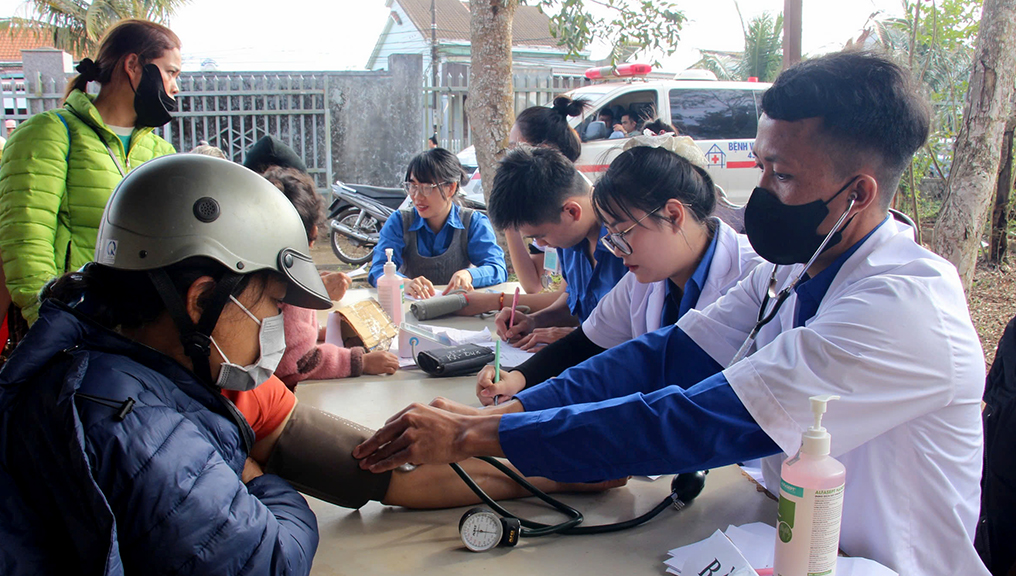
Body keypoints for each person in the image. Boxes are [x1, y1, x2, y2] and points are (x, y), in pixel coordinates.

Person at [354, 51, 989, 576]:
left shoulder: (901, 308)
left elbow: (697, 419)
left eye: (783, 176)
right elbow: (662, 357)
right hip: (779, 531)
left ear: (858, 194)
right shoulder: (794, 268)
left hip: (883, 564)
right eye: (761, 167)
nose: (760, 192)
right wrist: (516, 407)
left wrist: (475, 435)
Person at [0, 155, 322, 573]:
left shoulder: (95, 369)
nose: (277, 321)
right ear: (202, 301)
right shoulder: (136, 423)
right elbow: (274, 560)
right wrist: (260, 483)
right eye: (274, 302)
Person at [476, 139, 761, 404]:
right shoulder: (643, 279)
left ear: (673, 216)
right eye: (610, 236)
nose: (616, 250)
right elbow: (585, 343)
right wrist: (518, 378)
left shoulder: (757, 275)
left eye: (622, 233)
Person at [0, 19, 179, 329]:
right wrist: (50, 321)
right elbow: (26, 240)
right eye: (171, 72)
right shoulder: (49, 133)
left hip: (139, 333)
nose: (175, 87)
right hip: (75, 327)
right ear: (133, 65)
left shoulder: (161, 153)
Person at [461, 146, 628, 350]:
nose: (539, 245)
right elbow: (574, 302)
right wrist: (534, 321)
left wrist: (578, 341)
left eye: (540, 236)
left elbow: (648, 335)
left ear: (572, 212)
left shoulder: (629, 246)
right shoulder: (570, 238)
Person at [263, 166, 399, 387]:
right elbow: (299, 362)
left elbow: (287, 334)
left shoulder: (258, 267)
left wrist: (320, 332)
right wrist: (359, 361)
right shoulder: (289, 283)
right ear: (310, 234)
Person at [368, 148, 506, 298]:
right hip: (410, 310)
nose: (417, 197)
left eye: (427, 188)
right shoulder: (399, 222)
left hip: (457, 310)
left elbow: (496, 268)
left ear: (451, 188)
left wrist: (469, 275)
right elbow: (378, 270)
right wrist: (404, 282)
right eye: (413, 186)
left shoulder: (473, 222)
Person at [504, 96, 589, 295]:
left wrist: (492, 302)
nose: (509, 159)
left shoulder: (569, 208)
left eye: (516, 149)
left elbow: (566, 303)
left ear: (543, 153)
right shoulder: (544, 204)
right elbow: (536, 285)